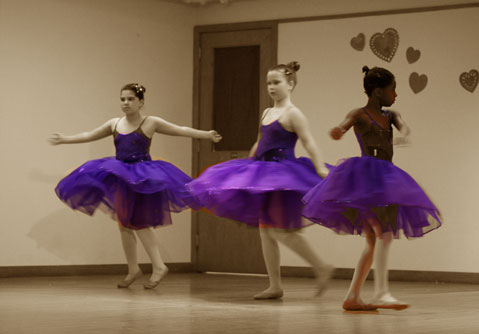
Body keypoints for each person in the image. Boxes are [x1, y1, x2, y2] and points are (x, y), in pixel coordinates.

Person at [49, 83, 221, 289]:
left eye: (130, 99)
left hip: (142, 177)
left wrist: (207, 134)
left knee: (139, 222)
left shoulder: (151, 122)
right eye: (122, 99)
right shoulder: (115, 124)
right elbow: (89, 135)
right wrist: (65, 139)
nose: (126, 103)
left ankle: (158, 266)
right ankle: (133, 269)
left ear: (141, 102)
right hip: (121, 176)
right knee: (123, 224)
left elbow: (180, 130)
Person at [188, 62, 334, 300]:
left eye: (276, 82)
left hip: (282, 176)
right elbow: (260, 141)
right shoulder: (267, 113)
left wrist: (319, 167)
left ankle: (321, 266)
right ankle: (275, 285)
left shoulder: (293, 113)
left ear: (290, 84)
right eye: (268, 83)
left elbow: (309, 142)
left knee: (280, 232)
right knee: (265, 232)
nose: (271, 87)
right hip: (262, 172)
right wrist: (247, 165)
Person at [303, 66, 442, 311]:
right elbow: (343, 126)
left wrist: (405, 133)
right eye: (393, 90)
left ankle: (353, 296)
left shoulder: (391, 115)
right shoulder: (359, 114)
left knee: (373, 239)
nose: (396, 95)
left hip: (386, 178)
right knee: (383, 234)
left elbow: (404, 126)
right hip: (366, 179)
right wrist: (338, 131)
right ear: (378, 92)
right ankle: (380, 292)